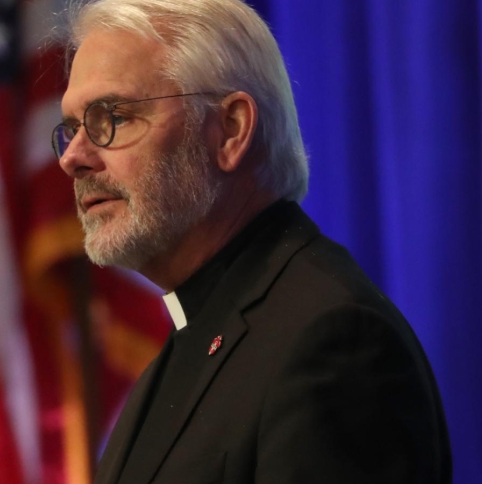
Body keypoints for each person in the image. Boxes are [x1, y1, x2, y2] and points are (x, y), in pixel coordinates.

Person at [51, 0, 452, 482]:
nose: (73, 158)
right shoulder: (191, 339)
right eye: (72, 128)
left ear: (231, 130)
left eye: (112, 117)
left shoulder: (334, 342)